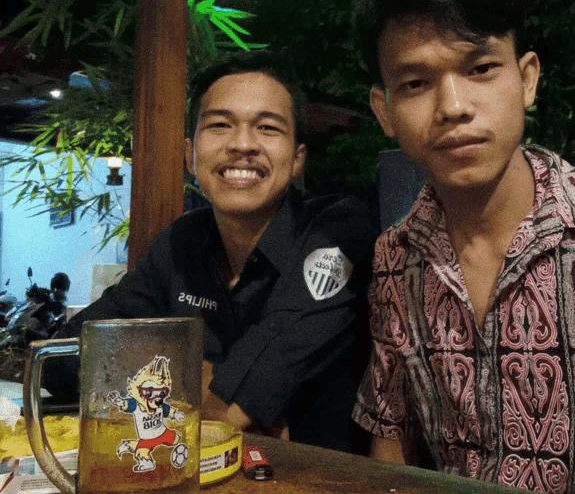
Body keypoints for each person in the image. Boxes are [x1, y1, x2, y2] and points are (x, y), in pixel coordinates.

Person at [350, 0, 575, 493]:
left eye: (481, 68)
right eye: (415, 83)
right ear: (384, 111)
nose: (453, 105)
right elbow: (391, 430)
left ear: (526, 78)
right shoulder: (396, 254)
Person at [44, 50, 375, 453]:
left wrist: (163, 381)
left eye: (268, 128)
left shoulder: (334, 230)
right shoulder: (179, 245)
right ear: (191, 154)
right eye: (220, 125)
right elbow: (63, 356)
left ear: (297, 161)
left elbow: (258, 378)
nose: (242, 144)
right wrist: (196, 378)